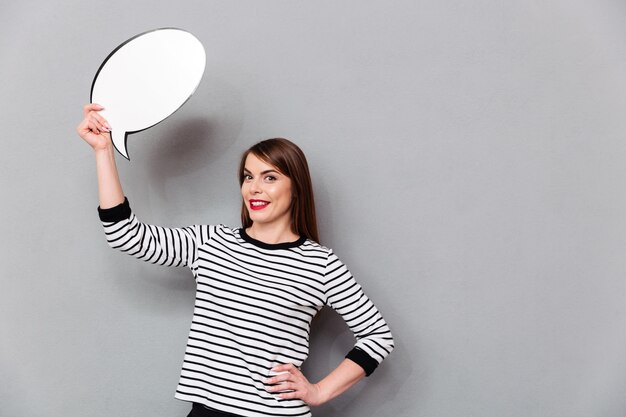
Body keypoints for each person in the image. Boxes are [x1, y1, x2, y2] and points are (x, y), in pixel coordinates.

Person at [77, 103, 394, 417]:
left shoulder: (320, 264)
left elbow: (378, 337)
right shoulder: (211, 242)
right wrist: (103, 151)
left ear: (295, 188)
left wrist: (319, 391)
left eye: (270, 178)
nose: (255, 188)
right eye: (248, 176)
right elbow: (125, 235)